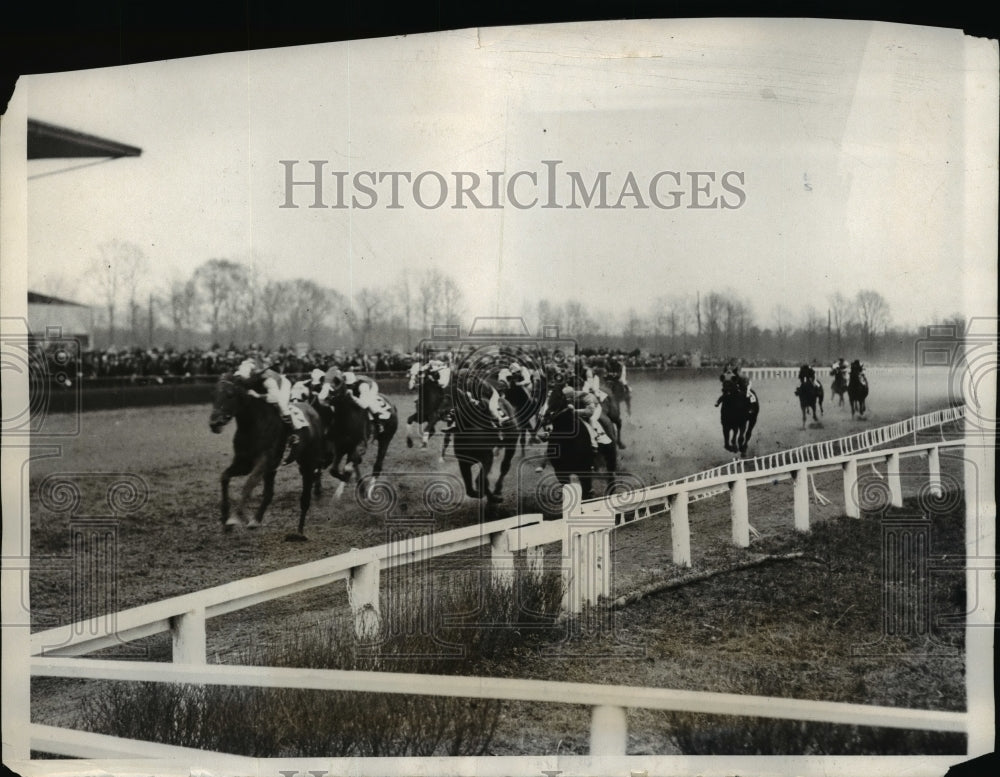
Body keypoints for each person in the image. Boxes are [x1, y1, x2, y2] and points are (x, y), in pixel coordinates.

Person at [234, 355, 308, 463]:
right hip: (264, 389)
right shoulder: (242, 375)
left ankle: (293, 433)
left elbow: (274, 397)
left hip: (281, 386)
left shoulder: (268, 380)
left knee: (282, 406)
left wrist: (258, 396)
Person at [321, 366, 393, 432]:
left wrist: (353, 397)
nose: (348, 387)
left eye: (350, 385)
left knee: (370, 404)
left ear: (354, 383)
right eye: (347, 385)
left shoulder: (363, 386)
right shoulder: (343, 382)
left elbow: (364, 405)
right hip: (359, 386)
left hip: (372, 387)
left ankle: (379, 424)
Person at [561, 385, 617, 449]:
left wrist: (574, 412)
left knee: (592, 420)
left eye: (569, 398)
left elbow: (590, 411)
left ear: (573, 394)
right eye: (566, 398)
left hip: (594, 409)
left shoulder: (584, 396)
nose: (568, 400)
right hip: (580, 411)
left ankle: (596, 441)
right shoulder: (566, 398)